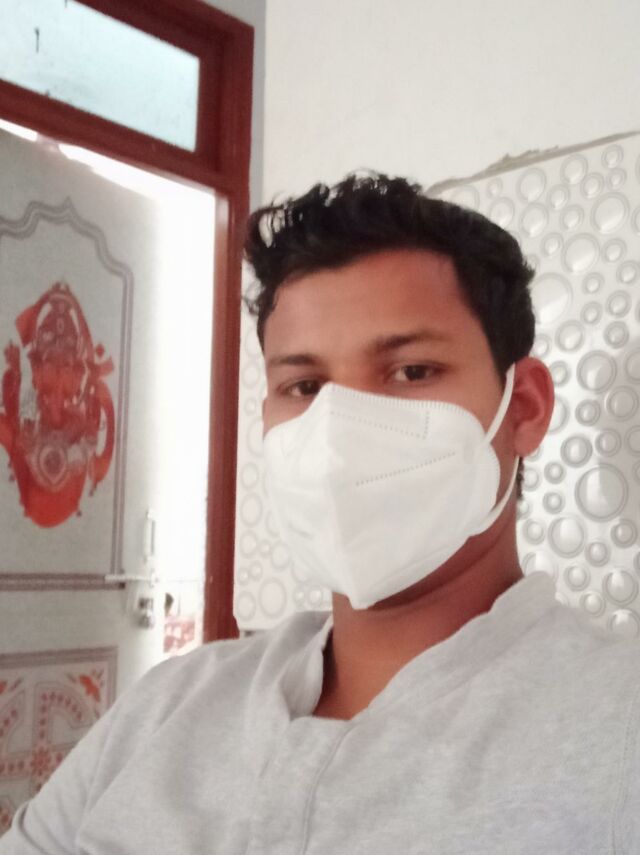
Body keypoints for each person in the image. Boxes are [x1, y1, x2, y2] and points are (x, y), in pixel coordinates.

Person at [2, 173, 638, 854]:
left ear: (525, 408)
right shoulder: (169, 704)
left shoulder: (615, 730)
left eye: (412, 371)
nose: (338, 433)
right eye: (304, 385)